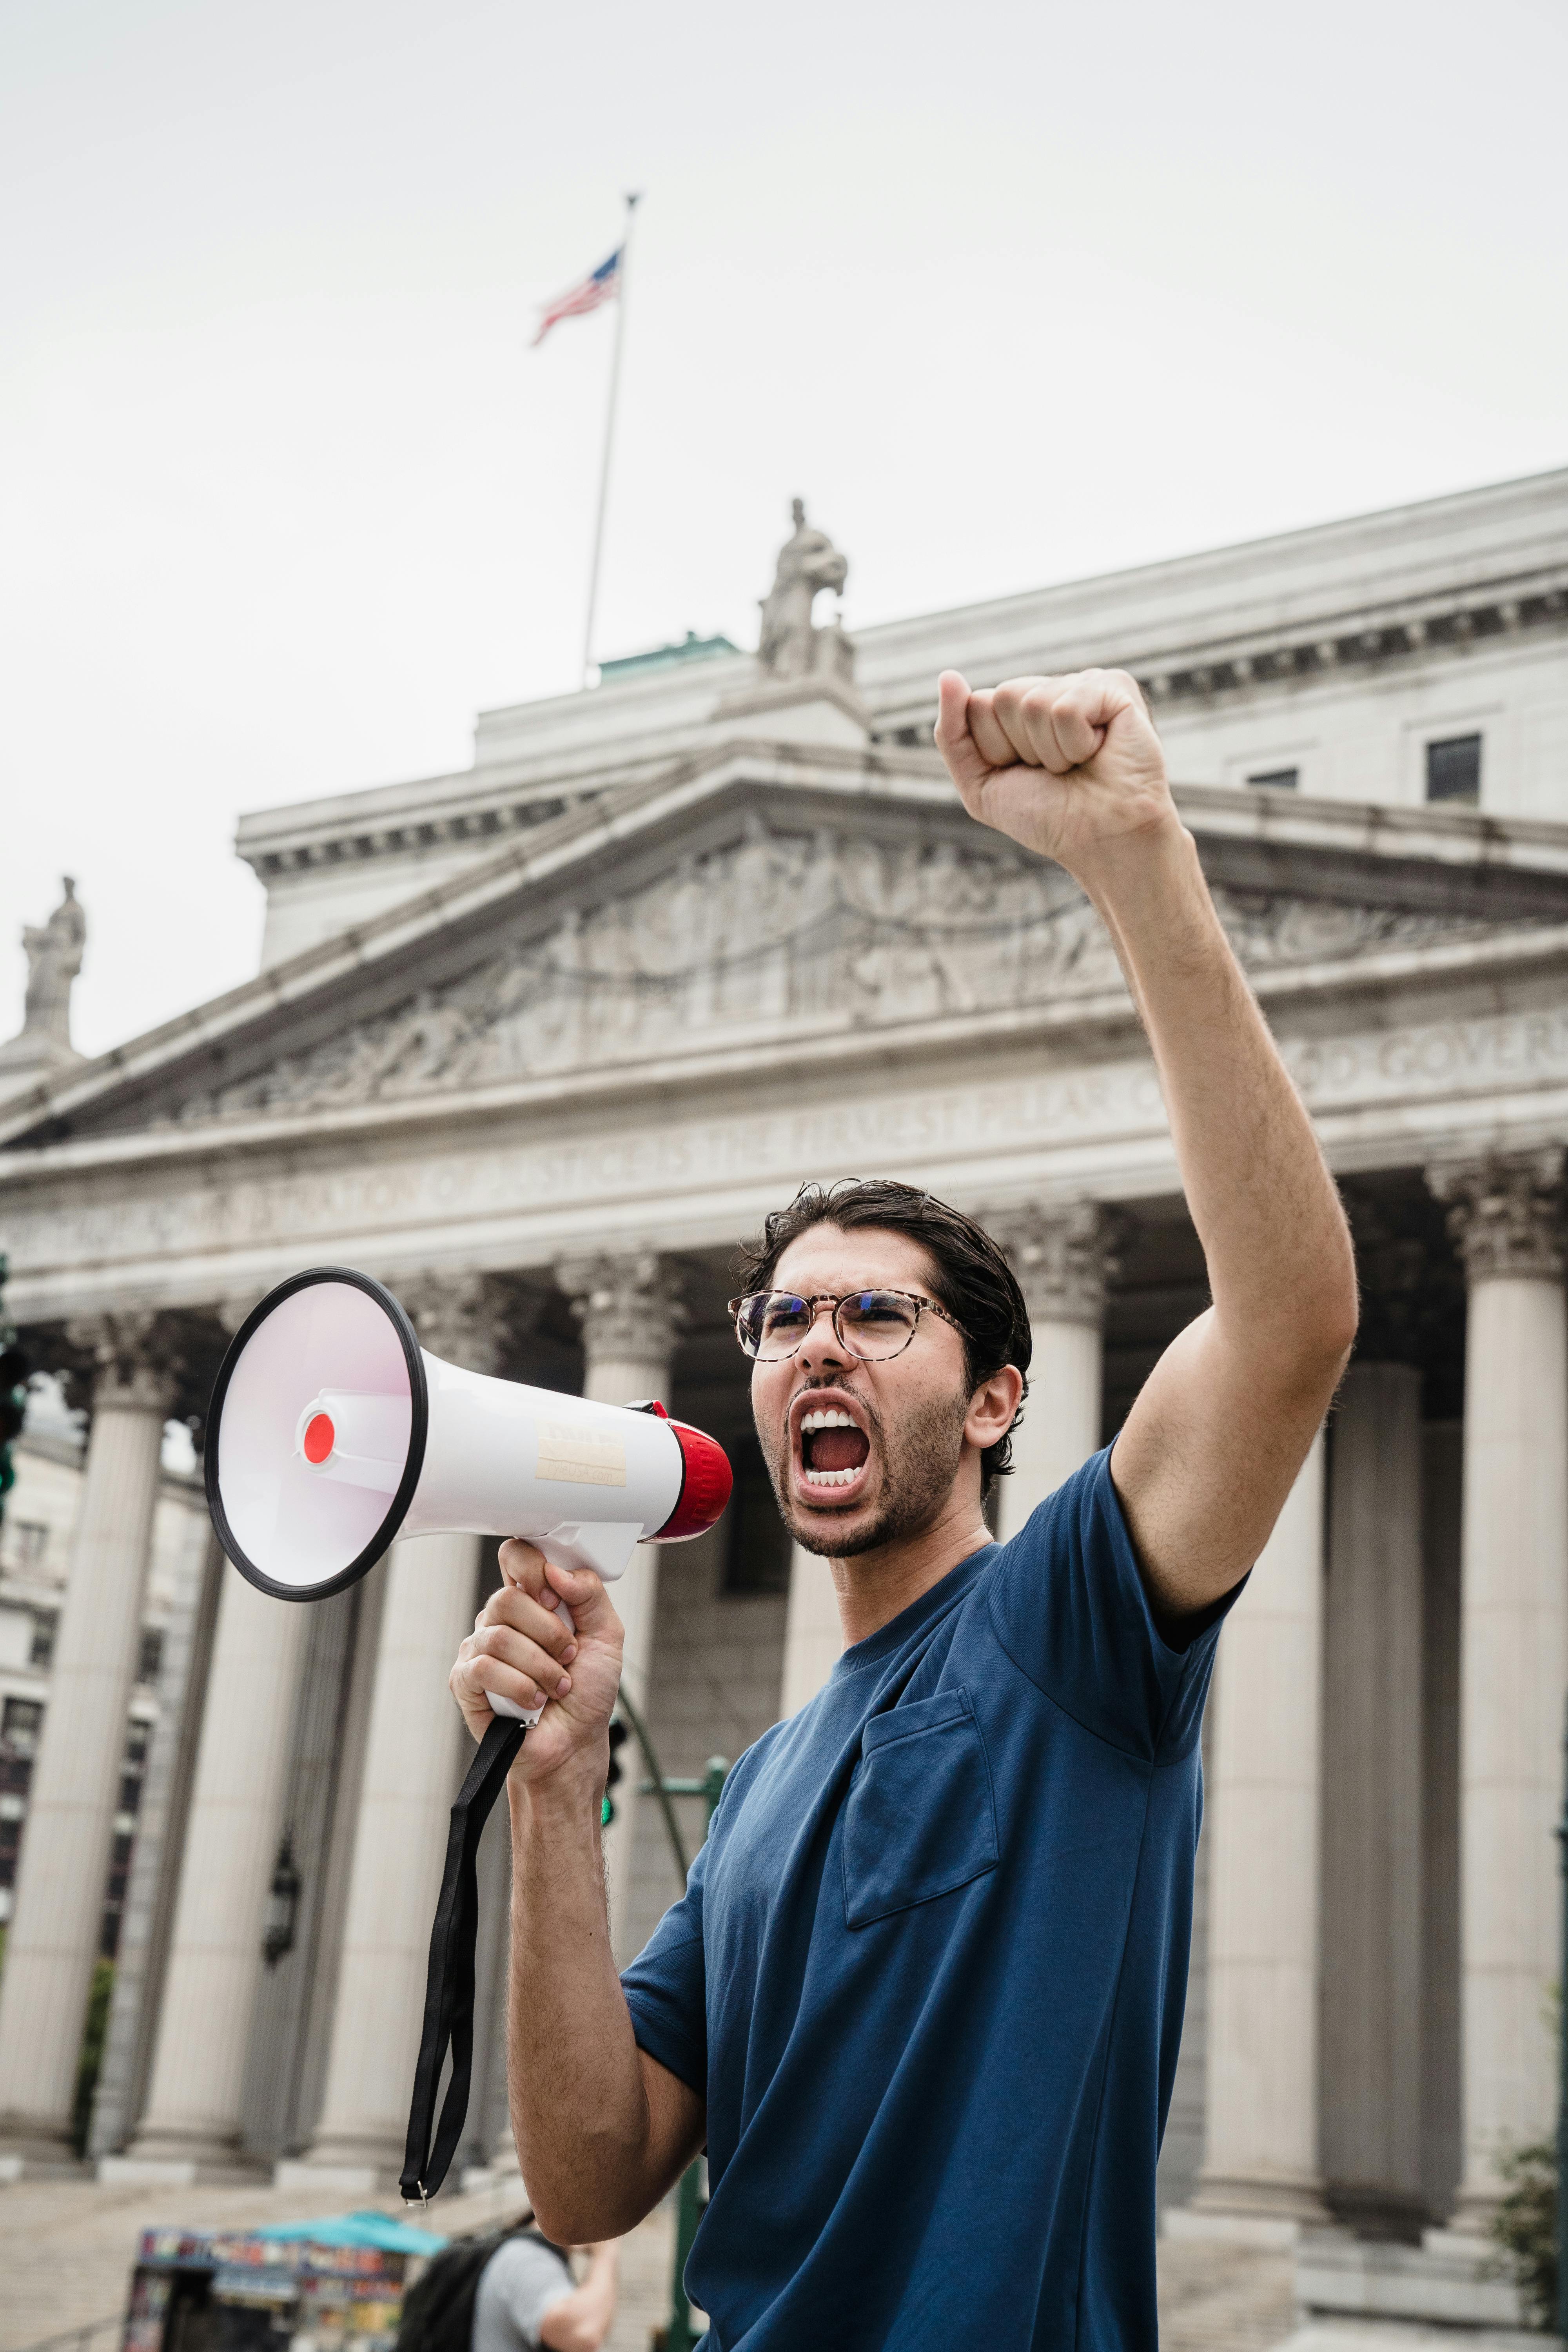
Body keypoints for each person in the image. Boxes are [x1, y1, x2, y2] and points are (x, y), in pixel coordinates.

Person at [449, 666, 1359, 2348]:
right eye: (785, 1319)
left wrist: (1134, 857)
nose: (817, 1348)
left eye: (878, 1314)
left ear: (996, 1395)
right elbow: (588, 2184)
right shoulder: (767, 1794)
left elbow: (1292, 1321)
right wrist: (552, 1787)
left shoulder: (1069, 1627)